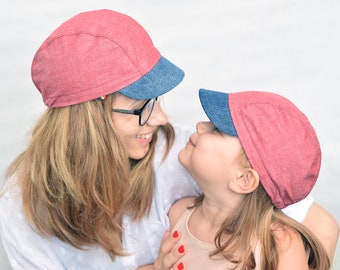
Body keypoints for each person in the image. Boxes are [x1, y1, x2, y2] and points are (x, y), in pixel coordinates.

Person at [0, 9, 338, 270]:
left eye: (157, 101)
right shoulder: (20, 209)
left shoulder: (179, 155)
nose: (162, 119)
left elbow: (321, 226)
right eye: (142, 106)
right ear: (88, 118)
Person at [167, 89, 337, 269]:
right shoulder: (178, 213)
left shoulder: (279, 247)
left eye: (216, 130)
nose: (200, 125)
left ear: (244, 179)